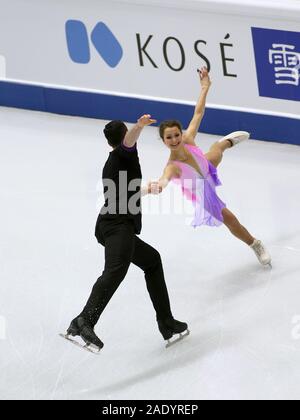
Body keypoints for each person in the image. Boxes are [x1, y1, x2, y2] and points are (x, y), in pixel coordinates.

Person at [64, 115, 188, 352]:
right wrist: (139, 127)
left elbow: (123, 193)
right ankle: (84, 320)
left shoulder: (114, 162)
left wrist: (145, 190)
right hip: (117, 226)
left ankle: (167, 322)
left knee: (152, 261)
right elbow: (129, 142)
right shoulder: (124, 154)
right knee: (115, 272)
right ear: (122, 140)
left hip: (113, 224)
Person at [149, 67, 271, 267]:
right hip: (202, 191)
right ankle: (254, 243)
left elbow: (198, 112)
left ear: (181, 134)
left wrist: (205, 86)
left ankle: (226, 142)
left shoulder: (187, 138)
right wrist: (158, 186)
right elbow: (164, 179)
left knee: (217, 149)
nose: (174, 139)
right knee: (230, 219)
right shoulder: (172, 166)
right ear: (163, 141)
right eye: (169, 137)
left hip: (206, 164)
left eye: (176, 135)